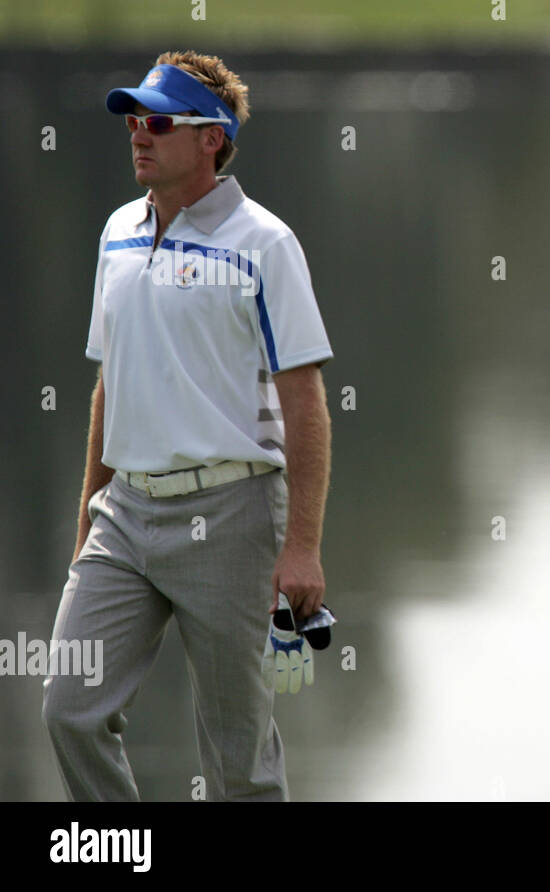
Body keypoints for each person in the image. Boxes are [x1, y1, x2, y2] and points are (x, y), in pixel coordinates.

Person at [42, 51, 334, 801]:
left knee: (239, 761)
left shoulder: (264, 242)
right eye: (134, 119)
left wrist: (302, 544)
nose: (139, 133)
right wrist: (86, 529)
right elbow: (111, 384)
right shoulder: (116, 233)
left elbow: (306, 400)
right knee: (70, 706)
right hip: (125, 517)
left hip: (232, 515)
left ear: (212, 139)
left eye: (159, 121)